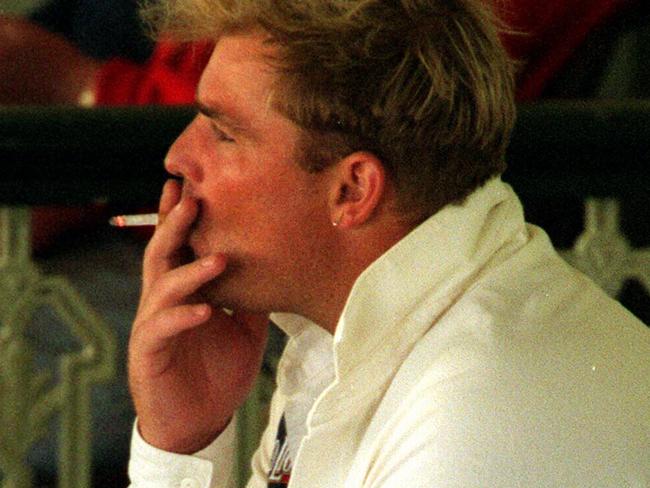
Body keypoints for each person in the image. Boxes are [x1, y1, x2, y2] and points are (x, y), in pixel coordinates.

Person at [127, 1, 650, 487]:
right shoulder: (366, 333)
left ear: (352, 190)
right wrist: (181, 444)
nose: (177, 157)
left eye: (224, 134)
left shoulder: (470, 422)